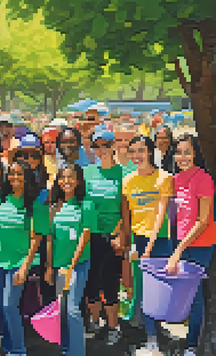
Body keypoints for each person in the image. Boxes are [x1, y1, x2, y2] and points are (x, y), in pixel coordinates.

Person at [0, 160, 48, 356]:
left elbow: (37, 238)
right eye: (12, 173)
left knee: (9, 306)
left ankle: (18, 350)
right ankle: (8, 345)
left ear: (27, 177)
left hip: (19, 263)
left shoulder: (35, 205)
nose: (14, 178)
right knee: (0, 305)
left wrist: (25, 266)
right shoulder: (1, 199)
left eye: (19, 174)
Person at [123, 136, 173, 352]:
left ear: (150, 152)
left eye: (141, 151)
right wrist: (129, 244)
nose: (136, 156)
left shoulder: (164, 178)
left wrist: (149, 247)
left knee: (160, 291)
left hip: (159, 240)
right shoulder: (128, 180)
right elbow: (127, 216)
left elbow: (161, 215)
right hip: (138, 240)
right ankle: (151, 337)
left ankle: (158, 332)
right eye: (132, 151)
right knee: (143, 291)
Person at [167, 134, 213, 356]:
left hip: (199, 244)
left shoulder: (203, 179)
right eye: (178, 152)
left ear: (196, 153)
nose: (182, 156)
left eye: (187, 151)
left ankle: (193, 345)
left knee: (194, 296)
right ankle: (190, 339)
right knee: (187, 294)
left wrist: (178, 250)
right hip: (182, 243)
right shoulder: (176, 179)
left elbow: (203, 221)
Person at [82, 129, 127, 345]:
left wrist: (121, 235)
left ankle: (113, 326)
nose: (102, 150)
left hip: (113, 237)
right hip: (90, 236)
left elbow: (127, 210)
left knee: (110, 282)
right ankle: (93, 321)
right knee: (91, 282)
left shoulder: (124, 173)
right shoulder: (87, 172)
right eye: (97, 146)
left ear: (113, 146)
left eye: (106, 145)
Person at [45, 163, 95, 356]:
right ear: (58, 181)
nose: (67, 181)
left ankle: (77, 352)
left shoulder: (86, 204)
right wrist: (50, 267)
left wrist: (72, 266)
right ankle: (65, 348)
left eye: (71, 177)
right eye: (63, 177)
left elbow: (85, 235)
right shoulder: (54, 206)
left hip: (78, 265)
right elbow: (50, 238)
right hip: (58, 265)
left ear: (78, 181)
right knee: (62, 310)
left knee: (73, 309)